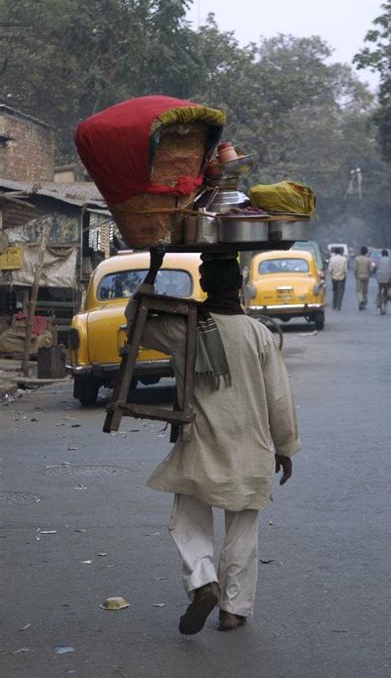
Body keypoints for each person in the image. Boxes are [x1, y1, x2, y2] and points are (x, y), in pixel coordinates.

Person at [125, 254, 300, 635]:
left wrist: (152, 274)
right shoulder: (259, 334)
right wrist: (285, 447)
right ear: (239, 285)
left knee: (187, 520)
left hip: (200, 445)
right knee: (243, 528)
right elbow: (280, 400)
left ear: (203, 285)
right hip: (251, 448)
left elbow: (135, 319)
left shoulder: (185, 329)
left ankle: (203, 581)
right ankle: (233, 610)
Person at [354, 246, 372, 310]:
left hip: (359, 277)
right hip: (366, 277)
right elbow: (371, 269)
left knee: (359, 291)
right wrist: (369, 274)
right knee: (365, 292)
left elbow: (355, 269)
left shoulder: (357, 259)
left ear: (360, 251)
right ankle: (363, 304)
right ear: (366, 252)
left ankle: (361, 301)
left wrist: (355, 275)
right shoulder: (368, 259)